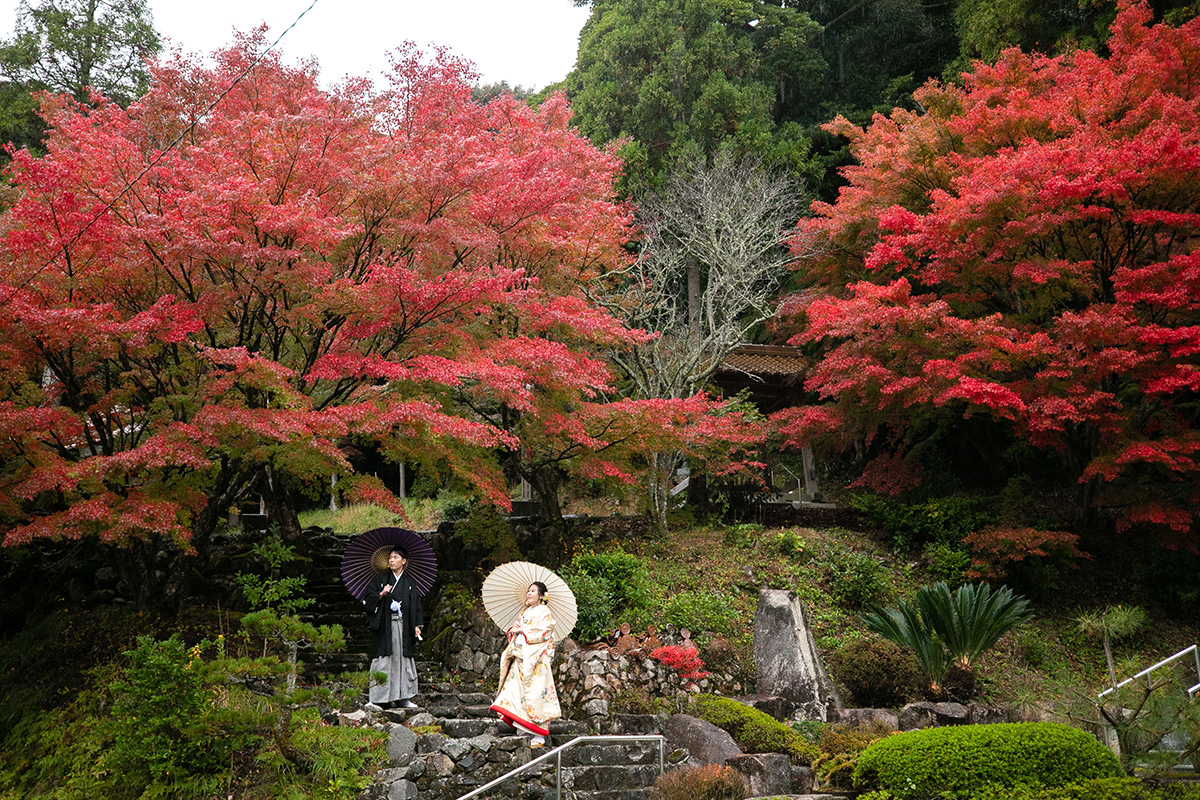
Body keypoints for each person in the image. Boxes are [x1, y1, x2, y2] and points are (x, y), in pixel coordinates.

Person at [489, 581, 562, 747]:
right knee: (515, 693)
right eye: (528, 591)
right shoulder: (525, 612)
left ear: (541, 596)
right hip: (521, 657)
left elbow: (544, 632)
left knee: (536, 695)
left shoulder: (545, 612)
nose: (529, 594)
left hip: (535, 661)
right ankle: (523, 726)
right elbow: (517, 633)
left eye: (533, 591)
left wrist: (522, 630)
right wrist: (515, 629)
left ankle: (538, 734)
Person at [364, 546, 423, 709]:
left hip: (404, 625)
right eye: (390, 557)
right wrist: (381, 594)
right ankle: (376, 697)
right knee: (383, 660)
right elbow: (368, 599)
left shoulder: (410, 582)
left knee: (403, 660)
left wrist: (417, 624)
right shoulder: (380, 579)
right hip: (385, 626)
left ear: (404, 561)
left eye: (396, 557)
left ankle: (404, 697)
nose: (391, 560)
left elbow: (416, 604)